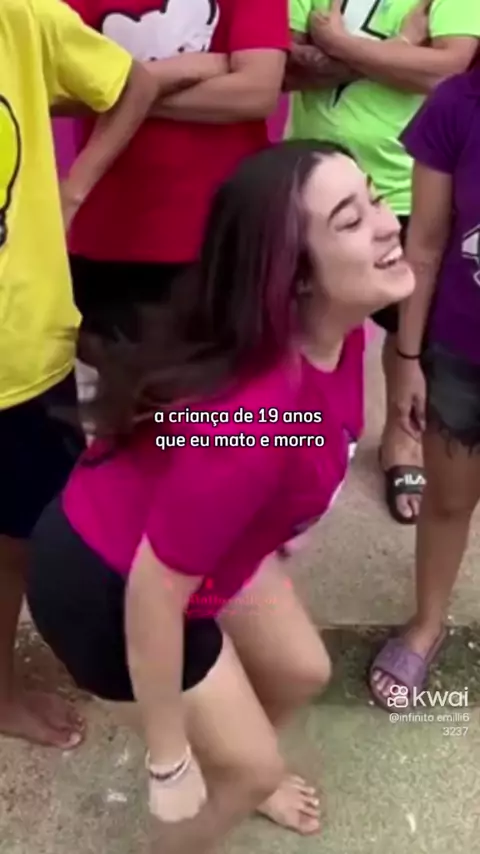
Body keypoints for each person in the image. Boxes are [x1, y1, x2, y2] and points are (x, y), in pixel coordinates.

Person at [26, 140, 414, 847]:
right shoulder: (254, 420)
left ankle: (235, 761)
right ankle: (226, 783)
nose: (389, 223)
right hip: (108, 585)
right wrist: (170, 759)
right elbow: (152, 596)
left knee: (301, 672)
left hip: (188, 554)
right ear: (297, 277)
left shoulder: (337, 335)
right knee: (248, 769)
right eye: (350, 220)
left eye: (376, 199)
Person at [0, 0, 231, 749]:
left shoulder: (21, 18)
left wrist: (74, 187)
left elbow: (131, 82)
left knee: (18, 536)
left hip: (21, 350)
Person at [286, 0, 480, 524]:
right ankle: (295, 438)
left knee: (404, 325)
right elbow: (283, 68)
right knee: (300, 323)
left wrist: (337, 43)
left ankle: (401, 437)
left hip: (401, 187)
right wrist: (400, 52)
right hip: (308, 184)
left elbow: (447, 71)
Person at [61, 0, 289, 357]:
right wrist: (181, 71)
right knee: (118, 386)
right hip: (109, 231)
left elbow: (256, 93)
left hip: (224, 236)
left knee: (219, 386)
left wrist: (124, 92)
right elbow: (58, 89)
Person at [370, 63, 480, 706]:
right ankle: (428, 622)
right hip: (462, 351)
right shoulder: (457, 104)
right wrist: (408, 357)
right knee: (449, 498)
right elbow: (426, 245)